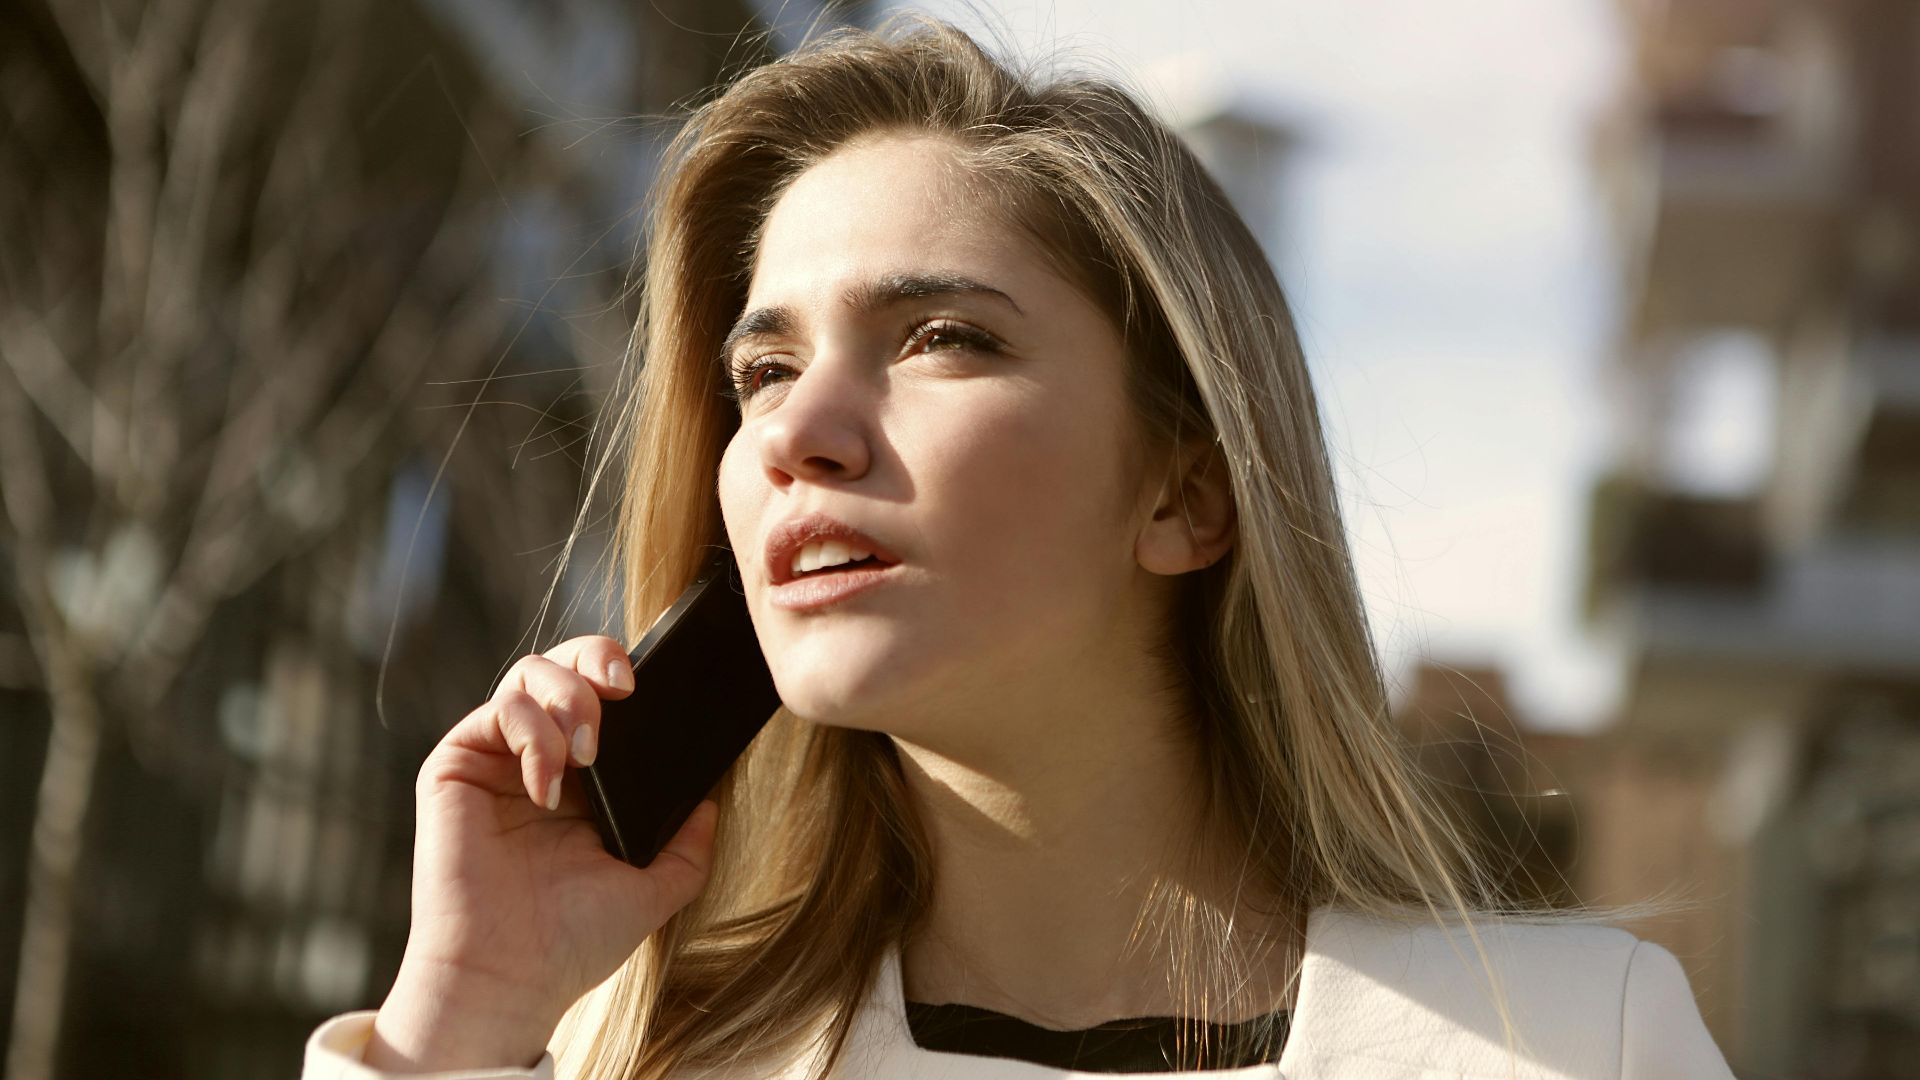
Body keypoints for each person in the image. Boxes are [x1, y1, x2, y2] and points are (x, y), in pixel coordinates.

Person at [302, 13, 1735, 1079]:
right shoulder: (633, 1048)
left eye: (940, 338)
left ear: (1189, 499)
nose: (805, 431)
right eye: (764, 371)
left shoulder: (1574, 1042)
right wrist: (465, 1014)